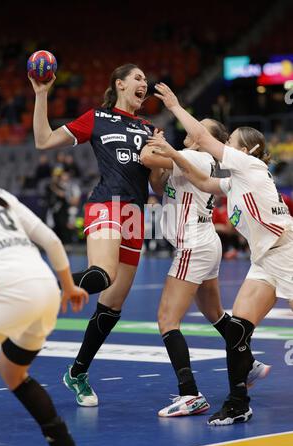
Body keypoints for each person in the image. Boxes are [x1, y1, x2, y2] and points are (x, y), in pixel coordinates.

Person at [147, 82, 293, 425]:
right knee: (238, 329)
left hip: (287, 252)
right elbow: (204, 182)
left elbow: (205, 139)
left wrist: (175, 106)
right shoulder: (235, 181)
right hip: (264, 261)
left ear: (247, 150)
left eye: (230, 143)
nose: (225, 147)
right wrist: (173, 153)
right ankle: (239, 402)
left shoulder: (251, 167)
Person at [29, 63, 163, 407]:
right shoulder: (97, 118)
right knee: (102, 275)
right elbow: (43, 140)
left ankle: (77, 373)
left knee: (112, 305)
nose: (143, 83)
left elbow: (158, 185)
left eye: (145, 80)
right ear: (119, 84)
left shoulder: (150, 129)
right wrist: (42, 94)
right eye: (137, 78)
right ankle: (34, 290)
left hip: (135, 214)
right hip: (107, 204)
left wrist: (165, 160)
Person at [141, 121, 269, 418]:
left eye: (201, 128)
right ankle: (247, 364)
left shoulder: (198, 157)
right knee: (215, 313)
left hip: (192, 243)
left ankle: (190, 394)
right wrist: (162, 155)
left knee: (166, 319)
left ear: (207, 140)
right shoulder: (190, 159)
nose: (193, 128)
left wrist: (154, 143)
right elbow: (159, 184)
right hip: (204, 241)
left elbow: (147, 159)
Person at [0, 186, 89, 446]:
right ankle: (63, 444)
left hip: (9, 288)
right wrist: (68, 287)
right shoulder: (2, 195)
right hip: (47, 289)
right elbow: (52, 241)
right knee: (12, 372)